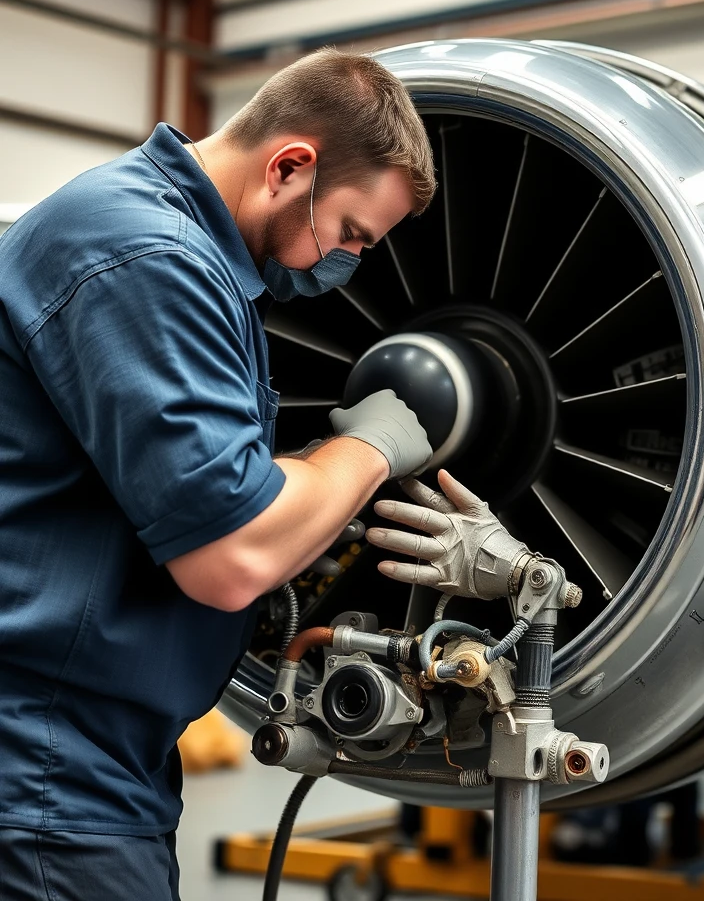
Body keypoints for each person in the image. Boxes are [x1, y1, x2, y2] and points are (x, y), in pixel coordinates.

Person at [0, 48, 435, 900]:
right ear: (289, 166)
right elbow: (231, 552)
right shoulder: (144, 254)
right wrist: (369, 449)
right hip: (46, 769)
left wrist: (301, 482)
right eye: (348, 233)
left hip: (89, 759)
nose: (340, 263)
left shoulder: (172, 245)